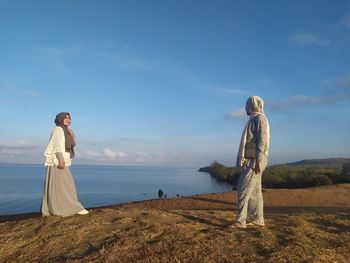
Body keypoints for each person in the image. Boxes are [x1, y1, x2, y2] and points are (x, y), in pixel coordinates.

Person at [232, 96, 270, 229]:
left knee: (242, 188)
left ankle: (240, 221)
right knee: (254, 192)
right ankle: (258, 219)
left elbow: (262, 141)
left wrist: (258, 161)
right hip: (252, 158)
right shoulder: (254, 119)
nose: (246, 108)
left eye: (247, 105)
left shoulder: (260, 119)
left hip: (255, 160)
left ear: (252, 106)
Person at [41, 112, 89, 217]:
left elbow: (70, 145)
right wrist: (60, 159)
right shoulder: (58, 129)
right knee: (67, 186)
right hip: (58, 161)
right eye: (65, 118)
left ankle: (56, 209)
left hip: (62, 161)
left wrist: (73, 135)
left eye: (69, 117)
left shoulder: (67, 131)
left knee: (59, 187)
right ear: (60, 119)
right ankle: (74, 208)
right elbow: (57, 145)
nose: (68, 119)